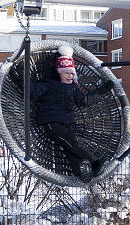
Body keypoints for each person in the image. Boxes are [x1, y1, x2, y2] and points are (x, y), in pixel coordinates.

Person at [29, 45, 113, 182]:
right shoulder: (48, 84)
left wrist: (103, 90)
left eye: (72, 73)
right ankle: (95, 162)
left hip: (69, 122)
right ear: (58, 72)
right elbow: (33, 92)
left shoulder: (72, 87)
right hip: (53, 123)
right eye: (67, 73)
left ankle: (80, 171)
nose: (70, 76)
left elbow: (84, 101)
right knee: (72, 145)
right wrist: (23, 78)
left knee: (69, 147)